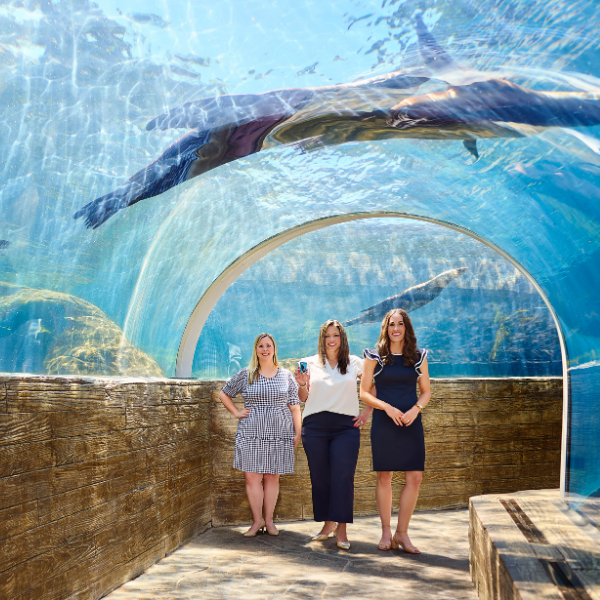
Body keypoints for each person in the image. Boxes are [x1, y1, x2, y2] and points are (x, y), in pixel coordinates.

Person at [295, 319, 372, 550]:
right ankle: (328, 525)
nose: (331, 340)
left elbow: (372, 387)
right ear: (322, 338)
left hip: (345, 428)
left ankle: (342, 528)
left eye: (336, 335)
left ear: (342, 338)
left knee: (342, 478)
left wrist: (367, 411)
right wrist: (301, 384)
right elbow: (302, 398)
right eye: (327, 335)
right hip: (315, 426)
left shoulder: (355, 363)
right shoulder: (307, 363)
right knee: (321, 479)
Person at [360, 309, 431, 553]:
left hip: (411, 423)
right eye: (392, 324)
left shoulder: (419, 357)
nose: (396, 328)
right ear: (386, 328)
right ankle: (386, 532)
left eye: (400, 324)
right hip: (384, 423)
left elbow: (426, 391)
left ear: (406, 328)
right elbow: (365, 393)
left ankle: (402, 533)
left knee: (415, 478)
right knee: (384, 477)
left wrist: (416, 409)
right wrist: (387, 408)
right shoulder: (375, 357)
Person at [219, 333, 302, 537]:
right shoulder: (246, 374)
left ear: (274, 349)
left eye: (268, 345)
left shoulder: (286, 376)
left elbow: (295, 406)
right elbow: (224, 393)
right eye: (261, 346)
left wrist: (297, 432)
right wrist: (237, 412)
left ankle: (270, 522)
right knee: (252, 478)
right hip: (251, 432)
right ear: (256, 350)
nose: (265, 349)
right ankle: (257, 522)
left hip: (280, 433)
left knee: (272, 477)